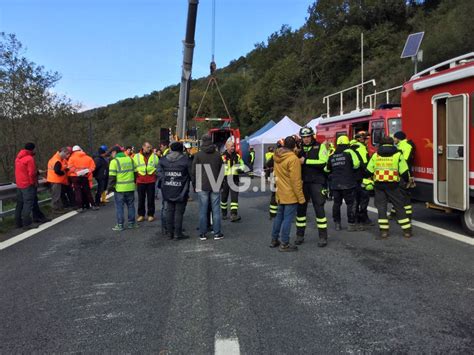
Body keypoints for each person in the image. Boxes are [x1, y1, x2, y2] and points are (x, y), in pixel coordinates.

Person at [366, 136, 412, 239]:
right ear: (392, 143)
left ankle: (384, 232)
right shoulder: (398, 154)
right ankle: (407, 231)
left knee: (381, 208)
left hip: (379, 185)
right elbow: (404, 171)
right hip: (393, 185)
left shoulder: (376, 155)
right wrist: (407, 181)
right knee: (399, 207)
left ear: (381, 144)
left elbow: (368, 171)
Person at [295, 126, 329, 247]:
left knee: (319, 208)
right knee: (300, 209)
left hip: (317, 182)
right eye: (304, 137)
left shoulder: (320, 146)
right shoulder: (298, 148)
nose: (306, 139)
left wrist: (307, 161)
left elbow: (324, 162)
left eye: (308, 137)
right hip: (303, 183)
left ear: (312, 136)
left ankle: (323, 237)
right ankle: (299, 235)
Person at [270, 136, 305, 252]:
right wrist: (301, 198)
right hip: (290, 194)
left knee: (278, 217)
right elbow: (296, 181)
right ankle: (284, 243)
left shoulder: (277, 156)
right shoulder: (293, 159)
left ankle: (274, 240)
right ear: (294, 146)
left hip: (280, 192)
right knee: (287, 219)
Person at [192, 134, 224, 241]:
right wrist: (221, 184)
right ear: (211, 141)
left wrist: (195, 185)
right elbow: (222, 170)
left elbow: (194, 172)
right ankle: (217, 233)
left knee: (202, 210)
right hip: (215, 184)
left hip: (202, 185)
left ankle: (203, 234)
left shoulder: (198, 155)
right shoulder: (217, 155)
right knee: (216, 210)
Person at [325, 135, 360, 231]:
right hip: (348, 183)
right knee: (351, 203)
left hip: (335, 184)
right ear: (347, 143)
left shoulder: (332, 155)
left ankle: (337, 224)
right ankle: (351, 225)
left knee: (337, 203)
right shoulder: (350, 152)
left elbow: (326, 169)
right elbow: (357, 165)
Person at [158, 142, 191, 240]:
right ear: (181, 149)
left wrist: (165, 179)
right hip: (181, 189)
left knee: (169, 210)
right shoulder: (185, 160)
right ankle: (178, 234)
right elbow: (192, 174)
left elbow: (158, 172)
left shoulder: (163, 160)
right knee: (179, 212)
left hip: (167, 188)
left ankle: (169, 233)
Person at [14, 143, 48, 229]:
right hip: (27, 184)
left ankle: (18, 223)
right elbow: (32, 173)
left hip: (19, 184)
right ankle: (27, 223)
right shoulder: (29, 159)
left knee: (20, 204)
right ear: (32, 149)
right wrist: (34, 181)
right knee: (28, 203)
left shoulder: (18, 158)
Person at [108, 146, 138, 231]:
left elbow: (112, 177)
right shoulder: (130, 160)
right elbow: (136, 173)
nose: (111, 155)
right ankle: (131, 223)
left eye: (111, 153)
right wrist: (133, 183)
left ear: (114, 152)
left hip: (119, 189)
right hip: (130, 187)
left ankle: (120, 225)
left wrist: (109, 189)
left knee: (119, 207)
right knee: (131, 206)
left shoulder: (114, 162)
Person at [351, 131, 373, 226]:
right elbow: (364, 164)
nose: (367, 141)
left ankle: (355, 217)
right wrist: (368, 175)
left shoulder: (352, 147)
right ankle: (363, 218)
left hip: (353, 177)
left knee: (355, 198)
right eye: (366, 139)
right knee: (364, 198)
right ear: (360, 139)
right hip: (361, 177)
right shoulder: (361, 148)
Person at [133, 142, 159, 222]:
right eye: (147, 147)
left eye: (150, 147)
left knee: (151, 199)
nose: (149, 149)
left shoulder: (155, 156)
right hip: (140, 180)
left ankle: (150, 215)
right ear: (143, 147)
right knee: (141, 199)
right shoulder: (136, 156)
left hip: (151, 180)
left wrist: (155, 175)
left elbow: (158, 167)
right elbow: (134, 167)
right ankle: (141, 215)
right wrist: (136, 177)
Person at [393, 131, 415, 220]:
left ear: (398, 138)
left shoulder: (407, 146)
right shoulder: (400, 146)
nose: (394, 139)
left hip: (404, 174)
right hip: (399, 173)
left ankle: (407, 216)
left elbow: (404, 160)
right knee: (397, 194)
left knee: (404, 196)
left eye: (394, 138)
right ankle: (394, 213)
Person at [68, 145, 97, 212]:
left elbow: (70, 167)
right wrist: (86, 172)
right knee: (87, 191)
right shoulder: (88, 158)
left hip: (75, 177)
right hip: (84, 176)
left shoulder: (71, 158)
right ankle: (93, 205)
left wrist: (76, 171)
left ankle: (80, 207)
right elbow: (93, 167)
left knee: (78, 192)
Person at [220, 139, 244, 222]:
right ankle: (224, 213)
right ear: (226, 147)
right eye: (231, 146)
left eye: (233, 146)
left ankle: (234, 214)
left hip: (234, 179)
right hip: (225, 180)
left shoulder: (237, 156)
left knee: (234, 197)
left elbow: (242, 165)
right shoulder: (222, 157)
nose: (233, 148)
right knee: (224, 197)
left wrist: (241, 169)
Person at [47, 147, 72, 213]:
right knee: (56, 196)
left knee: (56, 195)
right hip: (55, 180)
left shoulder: (55, 158)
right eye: (66, 154)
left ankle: (58, 208)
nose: (67, 156)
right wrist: (64, 172)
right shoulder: (57, 161)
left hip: (53, 179)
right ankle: (55, 209)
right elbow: (57, 170)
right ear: (63, 152)